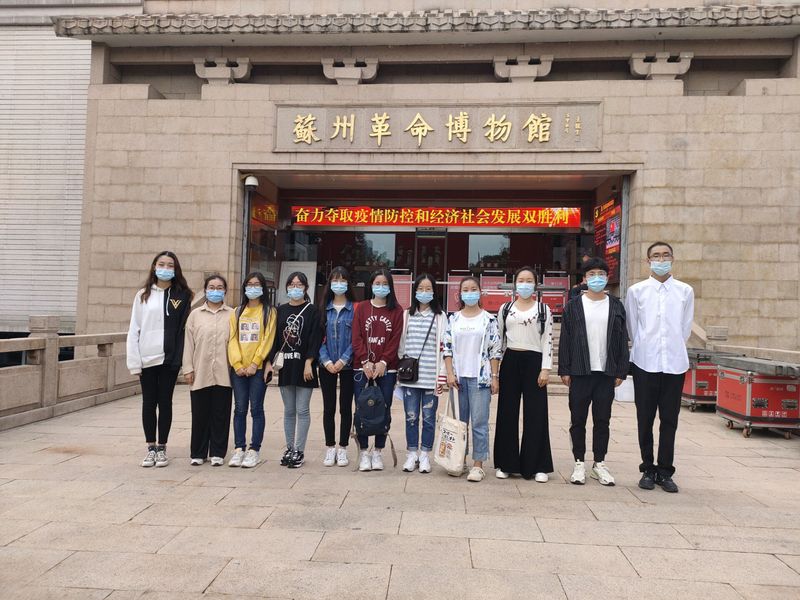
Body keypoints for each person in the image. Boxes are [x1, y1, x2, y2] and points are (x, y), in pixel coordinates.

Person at [625, 242, 694, 493]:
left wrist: (672, 346)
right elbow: (633, 327)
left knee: (669, 419)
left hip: (674, 364)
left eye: (665, 255)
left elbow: (685, 328)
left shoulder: (685, 291)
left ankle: (665, 471)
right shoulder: (637, 291)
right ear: (648, 261)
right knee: (645, 418)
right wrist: (646, 345)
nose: (661, 259)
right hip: (645, 362)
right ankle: (647, 468)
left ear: (672, 259)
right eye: (656, 256)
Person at [559, 258, 629, 486]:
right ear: (584, 279)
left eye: (601, 274)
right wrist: (565, 369)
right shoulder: (574, 306)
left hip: (606, 373)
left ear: (607, 278)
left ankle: (599, 463)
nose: (596, 278)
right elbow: (565, 339)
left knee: (602, 420)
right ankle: (579, 462)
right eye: (592, 274)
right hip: (580, 371)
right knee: (577, 419)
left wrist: (621, 370)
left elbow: (622, 339)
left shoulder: (616, 305)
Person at [126, 251, 192, 468]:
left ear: (176, 269)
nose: (165, 268)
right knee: (148, 403)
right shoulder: (143, 295)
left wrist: (180, 359)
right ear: (154, 267)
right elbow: (134, 329)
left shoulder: (183, 295)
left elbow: (184, 330)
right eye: (161, 264)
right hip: (146, 358)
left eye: (170, 265)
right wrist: (134, 361)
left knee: (165, 403)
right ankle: (150, 448)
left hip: (169, 360)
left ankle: (162, 447)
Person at [494, 266, 554, 482]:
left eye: (529, 280)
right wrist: (495, 372)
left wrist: (545, 368)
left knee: (536, 413)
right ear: (515, 283)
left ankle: (537, 465)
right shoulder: (505, 308)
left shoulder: (543, 309)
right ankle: (506, 463)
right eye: (521, 280)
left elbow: (548, 340)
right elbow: (498, 340)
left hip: (535, 361)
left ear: (535, 285)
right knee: (507, 412)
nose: (525, 284)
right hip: (511, 359)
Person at [443, 276, 502, 483]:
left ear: (480, 292)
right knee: (460, 423)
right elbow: (447, 348)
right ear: (460, 294)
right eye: (465, 290)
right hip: (458, 379)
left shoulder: (489, 320)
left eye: (473, 289)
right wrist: (450, 373)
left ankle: (478, 464)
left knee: (479, 422)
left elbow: (495, 351)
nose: (470, 293)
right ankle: (460, 460)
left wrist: (494, 377)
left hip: (480, 379)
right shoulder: (453, 319)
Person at [352, 268, 404, 471]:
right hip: (362, 368)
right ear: (371, 285)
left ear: (390, 287)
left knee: (383, 409)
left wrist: (383, 362)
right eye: (377, 283)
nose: (380, 287)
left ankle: (378, 452)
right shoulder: (362, 307)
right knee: (362, 409)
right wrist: (365, 361)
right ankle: (364, 451)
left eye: (384, 284)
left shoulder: (396, 310)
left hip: (387, 370)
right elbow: (356, 337)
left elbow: (395, 339)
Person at [269, 271, 322, 469]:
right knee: (289, 410)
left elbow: (315, 338)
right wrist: (270, 362)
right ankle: (289, 448)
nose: (295, 288)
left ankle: (299, 450)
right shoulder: (280, 310)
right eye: (292, 284)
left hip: (304, 367)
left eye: (299, 284)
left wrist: (309, 362)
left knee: (303, 410)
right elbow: (275, 339)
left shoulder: (312, 311)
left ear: (306, 288)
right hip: (286, 367)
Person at [398, 274, 448, 474]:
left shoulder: (440, 317)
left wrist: (442, 375)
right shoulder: (406, 315)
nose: (424, 292)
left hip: (430, 378)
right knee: (411, 417)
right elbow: (401, 346)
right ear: (415, 291)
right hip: (410, 378)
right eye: (421, 288)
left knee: (428, 418)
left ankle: (425, 454)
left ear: (434, 292)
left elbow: (445, 347)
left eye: (428, 289)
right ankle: (412, 453)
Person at [183, 275, 234, 466]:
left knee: (221, 414)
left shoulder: (232, 314)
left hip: (224, 372)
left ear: (225, 291)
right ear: (205, 290)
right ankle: (198, 452)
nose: (215, 291)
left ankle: (217, 452)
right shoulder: (195, 315)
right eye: (211, 287)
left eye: (219, 287)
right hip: (200, 371)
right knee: (200, 414)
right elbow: (188, 344)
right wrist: (188, 368)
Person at [227, 272, 276, 468]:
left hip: (258, 369)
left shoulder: (269, 312)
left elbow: (268, 339)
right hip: (238, 370)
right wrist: (237, 364)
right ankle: (239, 448)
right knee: (239, 409)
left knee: (256, 409)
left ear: (263, 288)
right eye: (249, 284)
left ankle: (254, 449)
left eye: (257, 284)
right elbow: (232, 339)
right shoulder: (237, 312)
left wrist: (255, 363)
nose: (253, 287)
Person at [319, 267, 356, 467]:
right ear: (330, 284)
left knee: (345, 407)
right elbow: (317, 338)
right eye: (335, 280)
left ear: (348, 284)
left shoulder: (354, 309)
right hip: (326, 365)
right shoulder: (323, 309)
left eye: (343, 280)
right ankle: (330, 447)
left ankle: (343, 447)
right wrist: (326, 361)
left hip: (348, 366)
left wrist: (343, 360)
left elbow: (356, 339)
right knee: (329, 407)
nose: (339, 284)